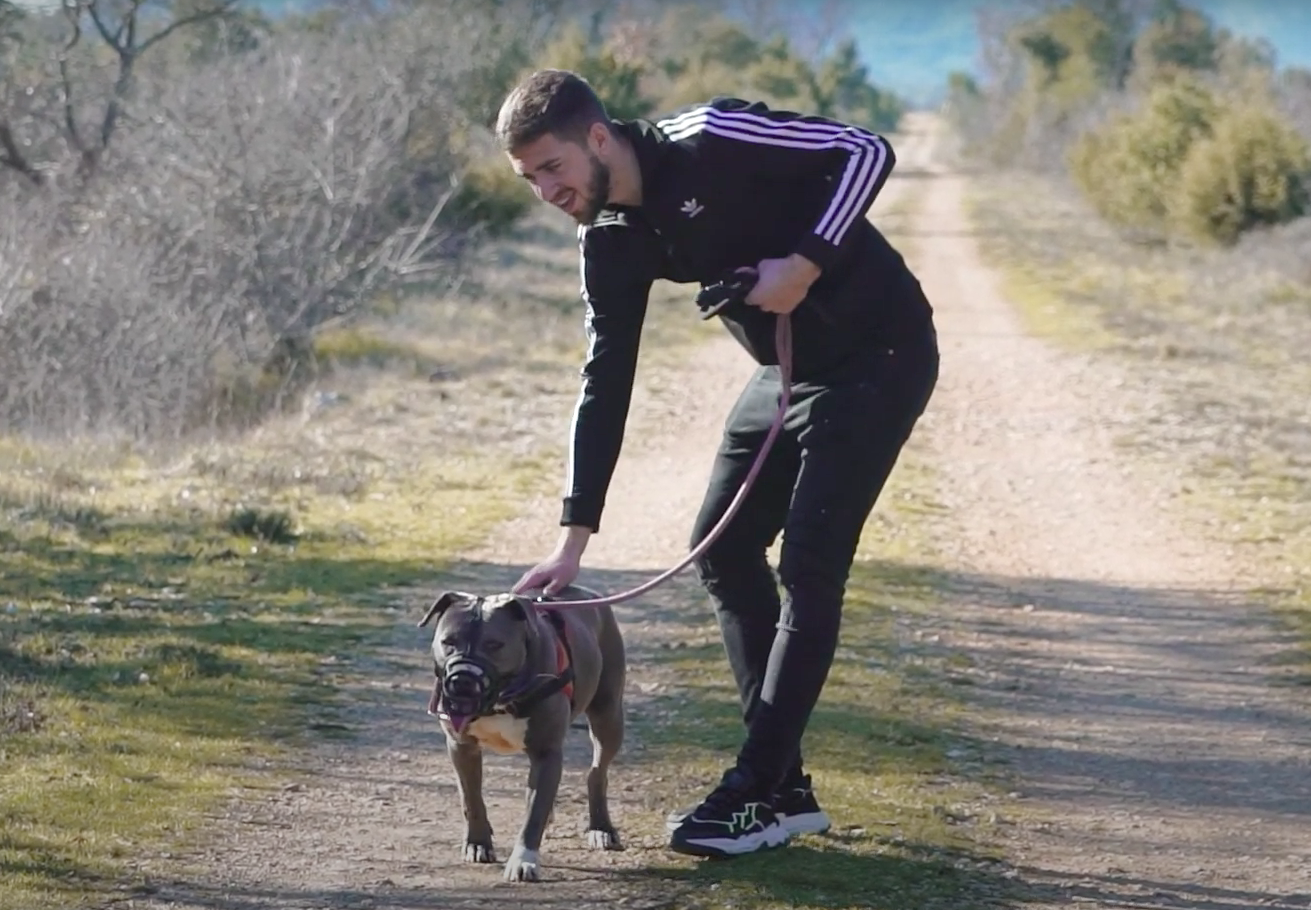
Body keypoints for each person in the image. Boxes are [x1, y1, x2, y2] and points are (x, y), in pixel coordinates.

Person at [495, 69, 939, 859]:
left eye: (552, 167)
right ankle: (785, 790)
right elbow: (605, 377)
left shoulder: (711, 136)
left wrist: (804, 262)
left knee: (808, 565)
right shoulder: (609, 238)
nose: (545, 190)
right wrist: (573, 538)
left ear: (598, 137)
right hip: (784, 374)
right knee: (724, 548)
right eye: (529, 178)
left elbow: (866, 150)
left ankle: (753, 788)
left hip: (881, 352)